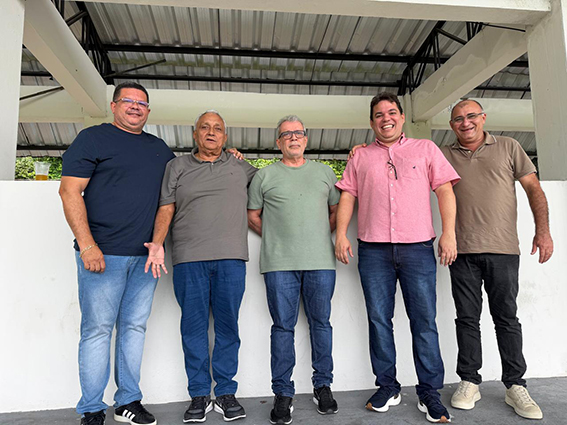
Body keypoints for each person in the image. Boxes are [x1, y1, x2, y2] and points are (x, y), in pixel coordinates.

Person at [336, 92, 460, 423]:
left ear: (402, 117)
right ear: (372, 122)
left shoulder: (426, 149)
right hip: (373, 249)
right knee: (379, 320)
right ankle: (388, 387)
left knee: (424, 320)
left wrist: (448, 233)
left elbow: (445, 190)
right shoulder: (360, 156)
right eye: (378, 114)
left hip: (417, 248)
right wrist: (340, 234)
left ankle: (429, 392)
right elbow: (347, 195)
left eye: (391, 112)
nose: (386, 118)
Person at [59, 81, 175, 425]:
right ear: (114, 106)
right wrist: (87, 245)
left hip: (145, 259)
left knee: (134, 329)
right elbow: (69, 192)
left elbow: (169, 198)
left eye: (142, 103)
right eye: (128, 101)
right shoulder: (93, 139)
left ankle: (128, 402)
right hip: (102, 255)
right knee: (97, 330)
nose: (135, 107)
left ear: (148, 110)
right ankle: (92, 409)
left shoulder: (159, 149)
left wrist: (158, 243)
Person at [442, 99, 553, 420]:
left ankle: (515, 385)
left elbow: (533, 189)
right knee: (466, 318)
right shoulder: (444, 154)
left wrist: (543, 231)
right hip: (461, 251)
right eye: (458, 119)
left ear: (483, 117)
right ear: (451, 125)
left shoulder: (508, 146)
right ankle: (469, 381)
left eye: (471, 116)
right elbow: (405, 157)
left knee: (506, 318)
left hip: (503, 250)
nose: (465, 123)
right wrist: (363, 148)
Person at [144, 110, 257, 423]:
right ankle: (198, 394)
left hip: (231, 258)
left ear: (225, 137)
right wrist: (157, 244)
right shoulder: (177, 166)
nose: (211, 132)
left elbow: (272, 184)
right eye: (204, 127)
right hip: (188, 258)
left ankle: (226, 392)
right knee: (192, 328)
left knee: (227, 327)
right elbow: (166, 208)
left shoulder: (240, 166)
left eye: (217, 128)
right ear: (195, 134)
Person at [247, 115, 341, 425]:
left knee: (321, 324)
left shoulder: (325, 173)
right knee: (282, 328)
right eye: (286, 134)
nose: (293, 138)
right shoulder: (264, 176)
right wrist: (277, 237)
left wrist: (318, 235)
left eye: (298, 133)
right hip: (279, 264)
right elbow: (253, 215)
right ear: (278, 142)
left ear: (306, 139)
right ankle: (283, 393)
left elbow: (336, 211)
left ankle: (322, 386)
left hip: (320, 263)